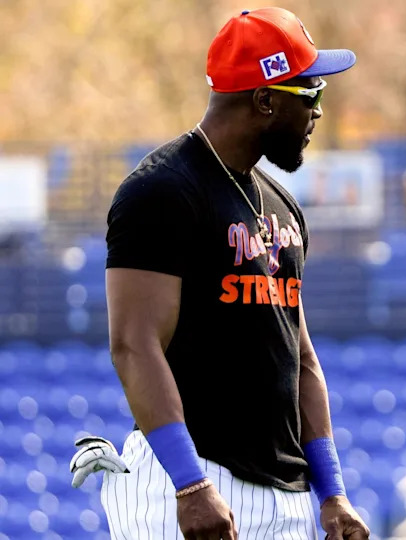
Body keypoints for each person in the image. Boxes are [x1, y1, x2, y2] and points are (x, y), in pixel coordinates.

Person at [69, 7, 370, 539]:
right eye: (312, 94)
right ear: (265, 99)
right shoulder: (160, 191)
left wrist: (333, 493)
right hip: (188, 486)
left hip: (287, 498)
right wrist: (190, 485)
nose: (320, 112)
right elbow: (134, 344)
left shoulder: (282, 205)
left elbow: (299, 358)